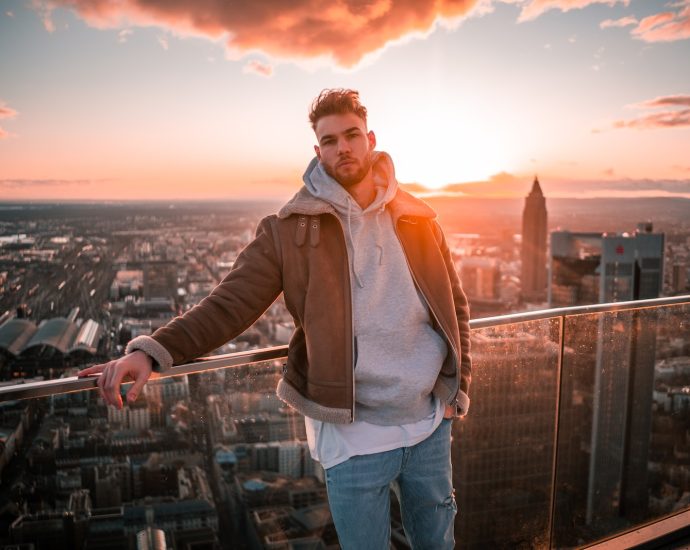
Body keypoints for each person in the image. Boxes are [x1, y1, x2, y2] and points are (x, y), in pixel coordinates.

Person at [79, 88, 472, 549]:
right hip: (353, 435)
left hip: (429, 423)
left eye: (350, 135)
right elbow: (229, 304)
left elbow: (455, 309)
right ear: (317, 151)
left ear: (370, 139)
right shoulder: (289, 229)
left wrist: (457, 388)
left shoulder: (418, 218)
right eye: (330, 141)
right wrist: (152, 351)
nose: (342, 147)